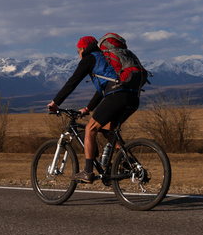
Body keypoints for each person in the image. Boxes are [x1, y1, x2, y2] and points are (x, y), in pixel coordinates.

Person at [47, 35, 140, 183]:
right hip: (134, 96)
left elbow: (72, 82)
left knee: (90, 128)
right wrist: (88, 108)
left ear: (83, 49)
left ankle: (88, 172)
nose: (78, 54)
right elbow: (105, 88)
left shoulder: (90, 58)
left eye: (78, 51)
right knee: (109, 129)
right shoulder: (107, 59)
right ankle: (128, 163)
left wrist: (55, 103)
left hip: (117, 95)